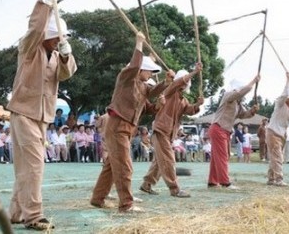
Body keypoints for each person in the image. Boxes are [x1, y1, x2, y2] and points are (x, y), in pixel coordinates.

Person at [7, 0, 77, 230]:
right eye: (56, 36)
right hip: (23, 112)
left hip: (42, 116)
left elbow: (68, 74)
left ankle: (16, 212)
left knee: (25, 167)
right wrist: (46, 3)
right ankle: (34, 216)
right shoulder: (29, 49)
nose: (59, 40)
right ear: (46, 35)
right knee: (35, 164)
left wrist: (67, 55)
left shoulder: (57, 56)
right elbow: (34, 28)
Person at [90, 31, 172, 213]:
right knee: (124, 167)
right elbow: (133, 65)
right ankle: (126, 204)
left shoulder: (143, 87)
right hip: (118, 126)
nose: (151, 74)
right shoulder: (126, 78)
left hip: (126, 129)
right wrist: (139, 44)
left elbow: (150, 106)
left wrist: (164, 87)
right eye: (149, 70)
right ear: (140, 69)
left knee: (111, 167)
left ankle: (98, 198)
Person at [140, 64, 203, 198]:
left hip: (168, 134)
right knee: (168, 160)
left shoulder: (183, 100)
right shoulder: (170, 90)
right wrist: (194, 72)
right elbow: (179, 82)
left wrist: (198, 104)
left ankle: (147, 185)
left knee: (159, 162)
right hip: (161, 131)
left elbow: (190, 110)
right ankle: (174, 189)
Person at [207, 75, 260, 190]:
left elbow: (243, 115)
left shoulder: (238, 104)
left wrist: (252, 111)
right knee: (222, 156)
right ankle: (225, 182)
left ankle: (212, 181)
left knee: (218, 157)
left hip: (224, 131)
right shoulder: (229, 96)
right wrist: (253, 82)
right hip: (218, 128)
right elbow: (240, 93)